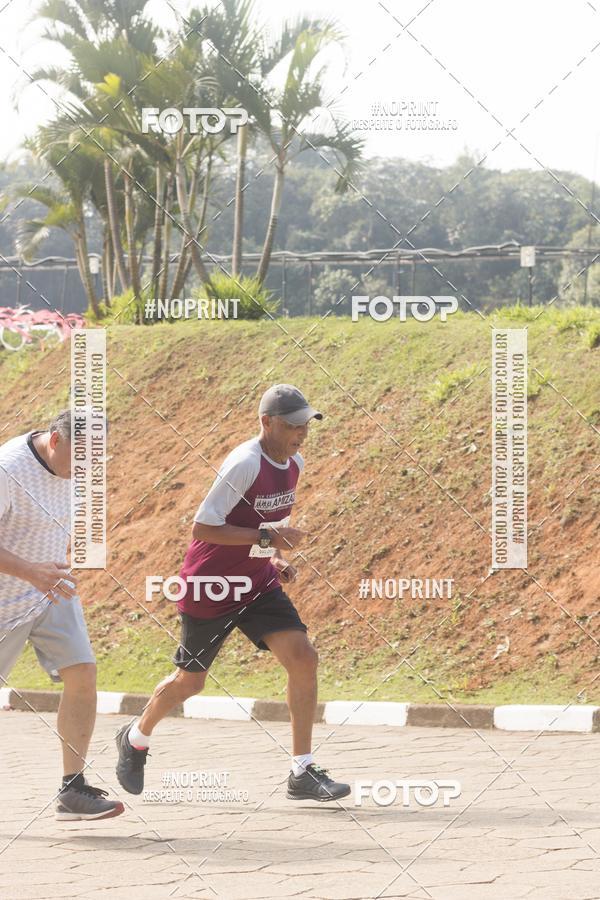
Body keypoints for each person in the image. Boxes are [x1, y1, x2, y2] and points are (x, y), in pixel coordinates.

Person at [116, 384, 350, 802]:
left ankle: (302, 771)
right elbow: (203, 527)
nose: (301, 433)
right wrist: (268, 536)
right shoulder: (244, 462)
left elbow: (264, 524)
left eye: (306, 425)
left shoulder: (294, 462)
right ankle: (135, 737)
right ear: (267, 422)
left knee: (303, 657)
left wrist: (273, 556)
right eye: (293, 425)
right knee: (190, 683)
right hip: (212, 585)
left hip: (257, 582)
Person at [0, 411, 124, 820]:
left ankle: (73, 789)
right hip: (7, 597)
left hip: (50, 592)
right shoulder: (8, 469)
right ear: (55, 440)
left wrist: (46, 570)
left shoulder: (80, 467)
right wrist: (29, 571)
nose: (88, 469)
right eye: (82, 457)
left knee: (83, 672)